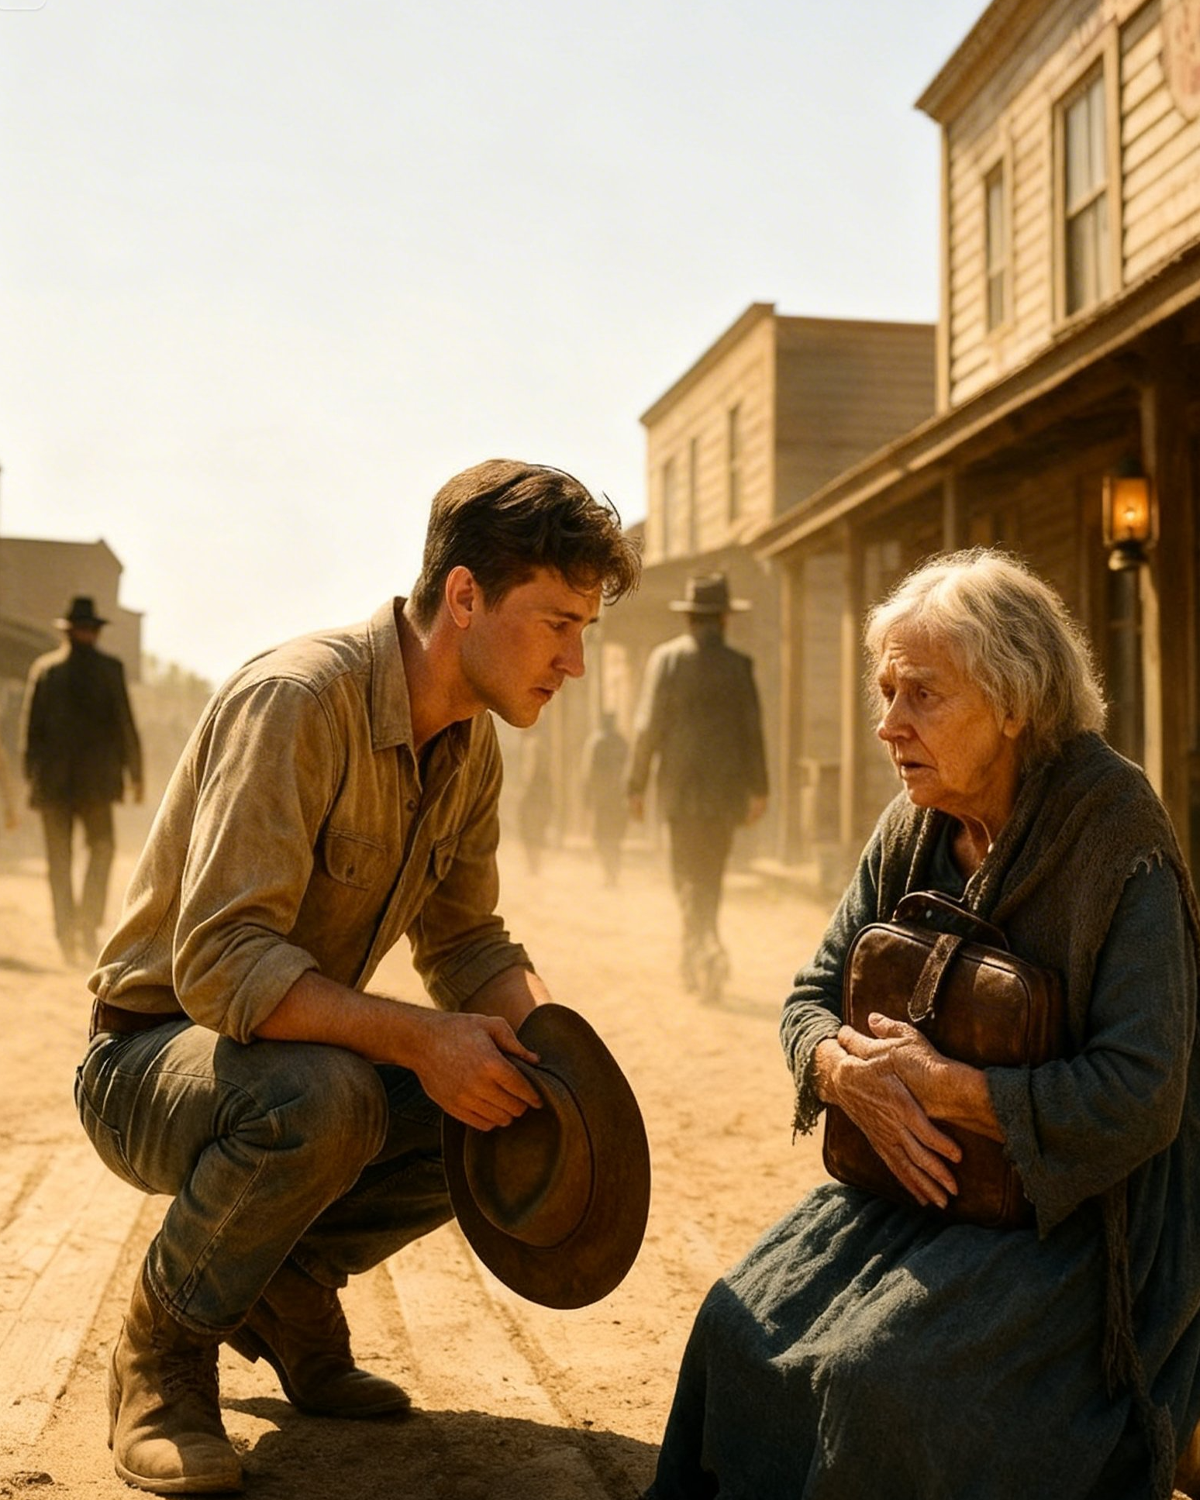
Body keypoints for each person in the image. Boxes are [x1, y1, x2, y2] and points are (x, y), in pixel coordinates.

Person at [75, 459, 641, 1495]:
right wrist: (422, 1041)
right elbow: (222, 964)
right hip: (147, 1062)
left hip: (279, 1053)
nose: (576, 662)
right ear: (465, 597)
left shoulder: (470, 745)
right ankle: (160, 1355)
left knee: (499, 1095)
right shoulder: (298, 700)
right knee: (331, 1096)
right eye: (558, 622)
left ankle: (280, 1284)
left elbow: (467, 943)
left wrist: (560, 1073)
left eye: (584, 631)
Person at [646, 549, 1200, 1500]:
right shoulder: (914, 824)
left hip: (1068, 1219)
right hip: (914, 1185)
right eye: (885, 690)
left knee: (878, 1389)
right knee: (735, 1325)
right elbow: (810, 994)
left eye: (922, 696)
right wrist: (840, 1072)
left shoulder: (1115, 837)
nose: (886, 724)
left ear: (1016, 702)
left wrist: (955, 1091)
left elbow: (1143, 1095)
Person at [626, 573, 767, 999]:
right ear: (723, 619)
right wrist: (760, 789)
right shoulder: (739, 666)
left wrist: (635, 784)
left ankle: (703, 949)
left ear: (690, 619)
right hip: (725, 796)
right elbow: (752, 732)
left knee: (685, 876)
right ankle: (702, 949)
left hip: (679, 794)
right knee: (711, 876)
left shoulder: (665, 661)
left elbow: (648, 727)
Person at [21, 596, 143, 966]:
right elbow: (33, 729)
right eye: (83, 628)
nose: (86, 634)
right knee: (73, 856)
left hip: (80, 785)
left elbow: (123, 723)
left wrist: (135, 772)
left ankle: (81, 929)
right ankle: (72, 933)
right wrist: (135, 772)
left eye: (89, 628)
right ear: (74, 631)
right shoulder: (51, 670)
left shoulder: (88, 669)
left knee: (92, 852)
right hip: (73, 785)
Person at [581, 710, 629, 886]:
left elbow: (588, 773)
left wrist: (587, 798)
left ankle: (610, 874)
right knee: (614, 838)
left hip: (603, 799)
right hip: (617, 799)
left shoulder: (596, 742)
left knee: (602, 838)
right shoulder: (621, 743)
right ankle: (612, 874)